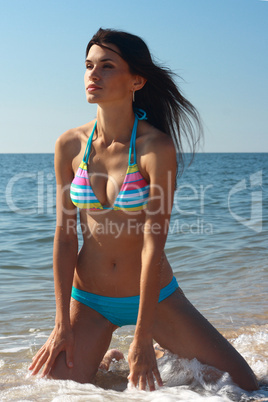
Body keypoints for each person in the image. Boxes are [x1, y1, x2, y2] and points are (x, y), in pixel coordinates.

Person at [29, 28, 258, 392]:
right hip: (88, 300)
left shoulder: (155, 147)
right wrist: (62, 325)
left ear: (136, 80)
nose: (93, 74)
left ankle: (128, 349)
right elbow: (64, 235)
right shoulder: (69, 144)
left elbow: (154, 244)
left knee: (244, 387)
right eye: (89, 65)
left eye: (107, 66)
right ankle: (108, 357)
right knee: (50, 393)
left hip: (154, 298)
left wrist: (144, 336)